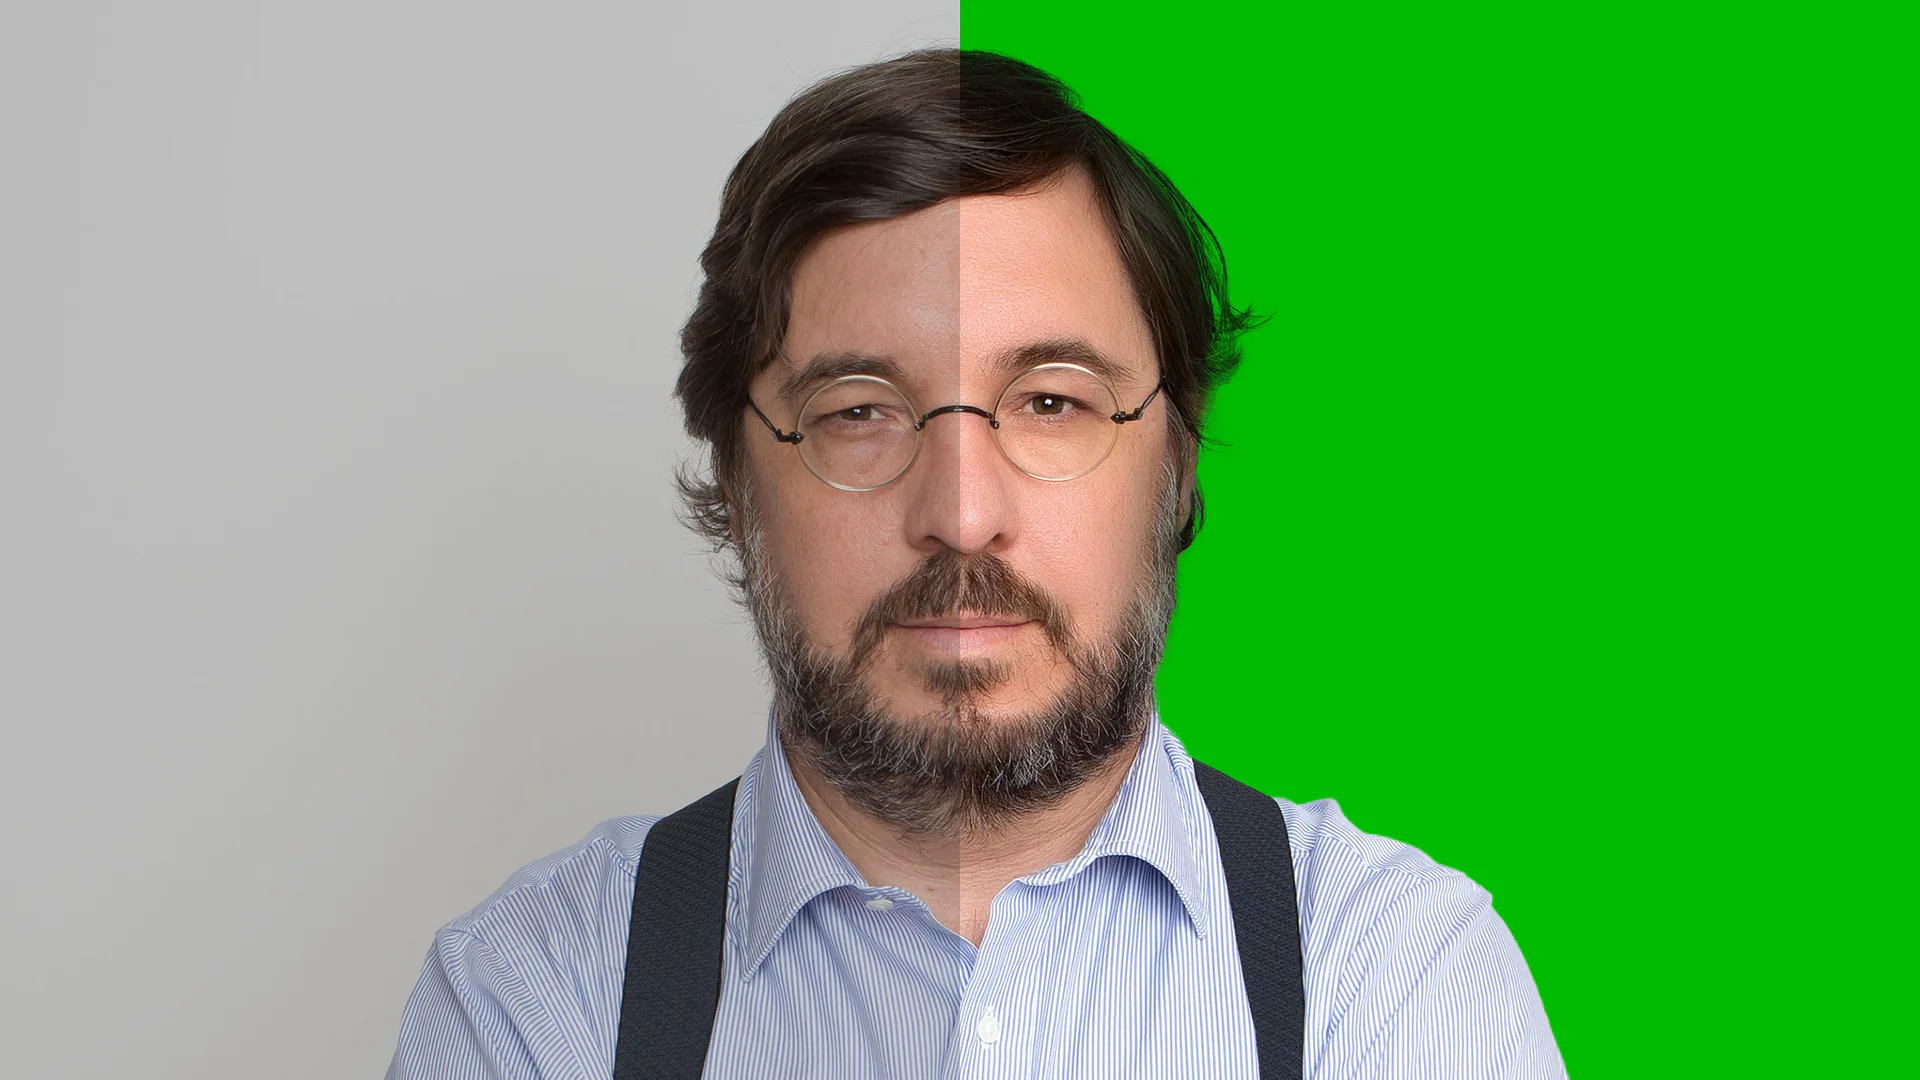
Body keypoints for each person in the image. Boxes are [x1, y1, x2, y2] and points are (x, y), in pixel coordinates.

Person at [386, 48, 1565, 1079]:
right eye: (858, 411)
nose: (959, 512)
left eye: (1051, 401)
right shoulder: (533, 1005)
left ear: (1178, 464)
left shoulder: (1397, 975)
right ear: (739, 486)